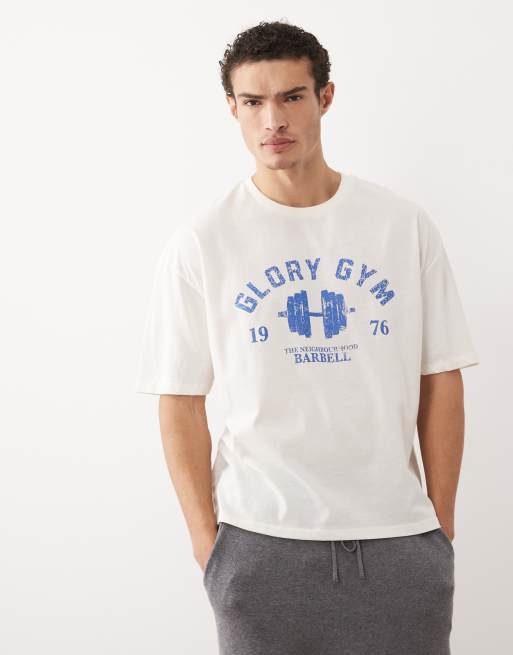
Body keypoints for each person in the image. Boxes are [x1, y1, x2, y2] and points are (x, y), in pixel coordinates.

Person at [135, 19, 479, 655]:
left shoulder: (401, 226)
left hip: (399, 539)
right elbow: (179, 400)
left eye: (291, 96)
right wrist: (209, 545)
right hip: (260, 544)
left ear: (325, 97)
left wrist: (440, 525)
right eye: (253, 101)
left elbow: (441, 376)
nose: (273, 120)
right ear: (232, 108)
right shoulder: (204, 242)